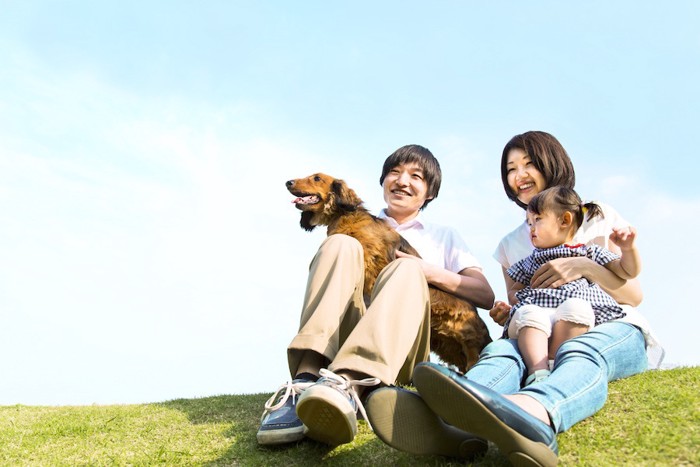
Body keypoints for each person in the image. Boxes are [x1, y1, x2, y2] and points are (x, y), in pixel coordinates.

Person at [365, 131, 663, 465]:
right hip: (537, 332)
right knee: (501, 353)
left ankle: (535, 413)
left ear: (552, 163)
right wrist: (506, 314)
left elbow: (633, 295)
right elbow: (519, 305)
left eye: (528, 164)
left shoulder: (593, 215)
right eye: (510, 169)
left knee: (579, 351)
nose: (518, 176)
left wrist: (582, 266)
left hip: (608, 325)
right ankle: (445, 419)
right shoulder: (511, 245)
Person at [257, 144, 495, 447]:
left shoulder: (444, 236)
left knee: (404, 272)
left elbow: (485, 296)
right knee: (339, 246)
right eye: (394, 173)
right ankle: (305, 380)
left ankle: (352, 384)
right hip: (340, 343)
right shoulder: (348, 225)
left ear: (430, 191)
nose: (402, 181)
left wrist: (425, 269)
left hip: (401, 351)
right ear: (383, 181)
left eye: (416, 176)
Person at [504, 186, 641, 386]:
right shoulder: (532, 260)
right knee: (530, 314)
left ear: (565, 220)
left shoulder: (588, 252)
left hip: (571, 316)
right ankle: (537, 371)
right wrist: (518, 302)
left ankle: (555, 363)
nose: (531, 228)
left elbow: (627, 271)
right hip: (540, 316)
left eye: (537, 220)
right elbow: (514, 290)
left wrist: (628, 249)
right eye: (529, 222)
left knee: (577, 308)